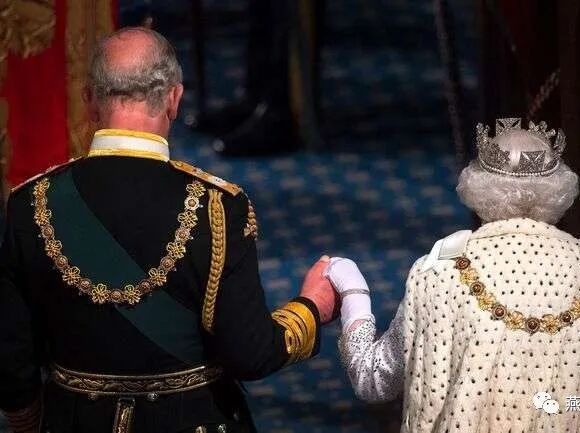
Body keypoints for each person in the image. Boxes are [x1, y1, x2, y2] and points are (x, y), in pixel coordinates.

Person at [0, 27, 337, 433]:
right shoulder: (218, 208)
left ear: (89, 100)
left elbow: (12, 362)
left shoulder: (29, 204)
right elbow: (250, 354)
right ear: (174, 99)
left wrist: (30, 425)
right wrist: (312, 307)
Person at [326, 118, 580, 432]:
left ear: (475, 186)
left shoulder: (438, 275)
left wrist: (353, 291)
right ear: (561, 189)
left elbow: (373, 378)